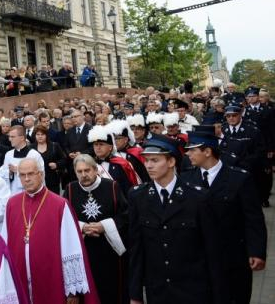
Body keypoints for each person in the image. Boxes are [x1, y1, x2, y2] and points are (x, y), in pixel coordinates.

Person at [128, 133, 226, 304]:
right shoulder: (138, 196)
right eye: (146, 160)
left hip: (193, 290)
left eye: (155, 160)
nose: (148, 166)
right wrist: (135, 294)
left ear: (171, 162)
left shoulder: (198, 197)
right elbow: (136, 249)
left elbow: (212, 250)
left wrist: (218, 295)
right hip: (158, 290)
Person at [181, 125, 267, 304]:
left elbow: (253, 219)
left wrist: (257, 252)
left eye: (192, 150)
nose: (187, 154)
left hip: (232, 256)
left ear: (207, 151)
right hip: (198, 258)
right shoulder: (186, 179)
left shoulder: (239, 178)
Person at [2, 158, 99, 304]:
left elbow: (71, 249)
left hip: (51, 279)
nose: (26, 179)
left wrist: (73, 291)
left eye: (31, 174)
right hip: (19, 279)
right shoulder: (12, 203)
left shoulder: (59, 205)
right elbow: (5, 242)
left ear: (41, 174)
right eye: (22, 175)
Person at [66, 154, 129, 304]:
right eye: (79, 171)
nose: (84, 175)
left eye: (87, 170)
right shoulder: (70, 189)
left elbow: (126, 215)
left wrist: (104, 226)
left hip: (110, 251)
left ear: (95, 170)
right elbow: (65, 219)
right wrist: (82, 227)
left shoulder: (112, 186)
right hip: (83, 250)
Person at [88, 124, 138, 196]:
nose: (98, 147)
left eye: (101, 144)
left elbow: (128, 188)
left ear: (110, 147)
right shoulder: (90, 164)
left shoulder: (121, 164)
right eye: (96, 144)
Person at [0, 126, 40, 194]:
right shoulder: (8, 154)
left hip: (31, 192)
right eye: (9, 136)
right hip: (13, 192)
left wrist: (18, 170)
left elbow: (40, 175)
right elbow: (2, 174)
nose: (9, 139)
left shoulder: (34, 155)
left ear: (22, 138)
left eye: (12, 137)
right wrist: (9, 172)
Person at [32, 125, 67, 194]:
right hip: (37, 181)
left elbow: (64, 160)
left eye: (42, 134)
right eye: (38, 134)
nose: (40, 136)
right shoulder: (31, 148)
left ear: (46, 135)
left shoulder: (54, 145)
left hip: (53, 181)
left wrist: (56, 165)